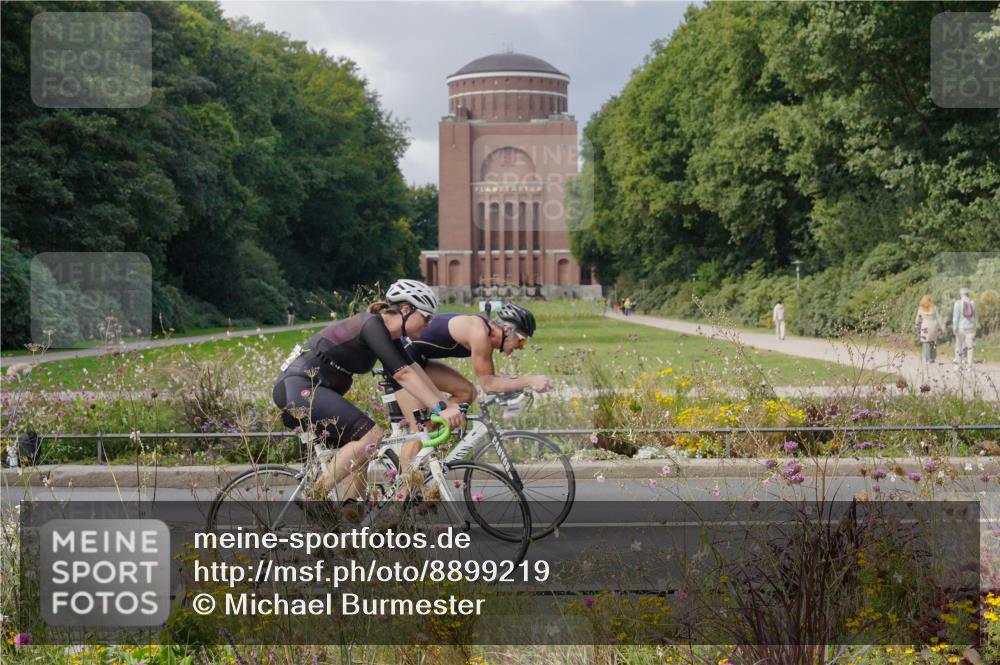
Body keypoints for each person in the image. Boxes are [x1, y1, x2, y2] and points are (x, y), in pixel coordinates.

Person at [272, 279, 463, 499]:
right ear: (405, 310)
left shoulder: (390, 336)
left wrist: (445, 403)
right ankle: (314, 498)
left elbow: (413, 368)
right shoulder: (372, 325)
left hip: (312, 388)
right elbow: (403, 374)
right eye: (426, 317)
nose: (429, 325)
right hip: (298, 386)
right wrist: (440, 408)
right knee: (370, 435)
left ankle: (349, 523)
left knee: (361, 455)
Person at [393, 303, 553, 469]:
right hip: (402, 359)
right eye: (521, 339)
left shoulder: (486, 336)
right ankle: (404, 489)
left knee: (467, 393)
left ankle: (429, 432)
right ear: (507, 329)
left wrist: (521, 384)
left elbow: (492, 380)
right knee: (418, 429)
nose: (521, 346)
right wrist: (530, 381)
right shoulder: (479, 333)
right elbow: (489, 385)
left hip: (418, 358)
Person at [952, 288, 977, 366]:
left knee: (958, 347)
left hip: (961, 329)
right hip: (971, 328)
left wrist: (954, 328)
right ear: (968, 294)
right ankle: (969, 366)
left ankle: (959, 365)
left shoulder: (958, 303)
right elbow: (976, 317)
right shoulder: (973, 303)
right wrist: (974, 327)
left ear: (960, 294)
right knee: (970, 348)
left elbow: (955, 318)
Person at [914, 295, 941, 364]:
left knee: (926, 343)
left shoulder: (921, 308)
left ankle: (927, 358)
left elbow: (918, 319)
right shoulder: (934, 308)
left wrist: (916, 326)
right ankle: (932, 358)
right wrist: (940, 327)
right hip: (933, 326)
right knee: (932, 342)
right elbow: (938, 317)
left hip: (925, 326)